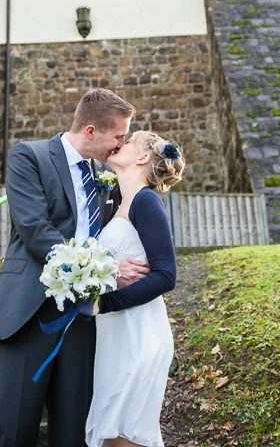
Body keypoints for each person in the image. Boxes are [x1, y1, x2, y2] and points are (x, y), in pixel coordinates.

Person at [0, 88, 150, 447]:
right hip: (28, 314)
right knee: (11, 430)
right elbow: (35, 231)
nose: (121, 145)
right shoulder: (29, 157)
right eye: (118, 136)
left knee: (75, 432)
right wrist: (107, 268)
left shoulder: (106, 175)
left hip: (84, 322)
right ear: (91, 131)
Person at [85, 130, 185, 447]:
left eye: (127, 142)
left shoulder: (145, 202)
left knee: (124, 435)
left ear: (141, 157)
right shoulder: (117, 203)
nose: (119, 144)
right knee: (115, 435)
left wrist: (104, 304)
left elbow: (166, 275)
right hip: (116, 338)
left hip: (139, 334)